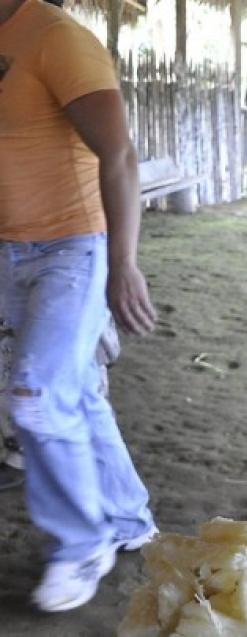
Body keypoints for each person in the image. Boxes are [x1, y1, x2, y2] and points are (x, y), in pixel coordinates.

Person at [0, 0, 159, 612]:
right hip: (10, 252)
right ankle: (125, 518)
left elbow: (117, 155)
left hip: (73, 247)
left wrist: (122, 265)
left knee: (35, 398)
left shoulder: (55, 38)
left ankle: (80, 543)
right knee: (75, 393)